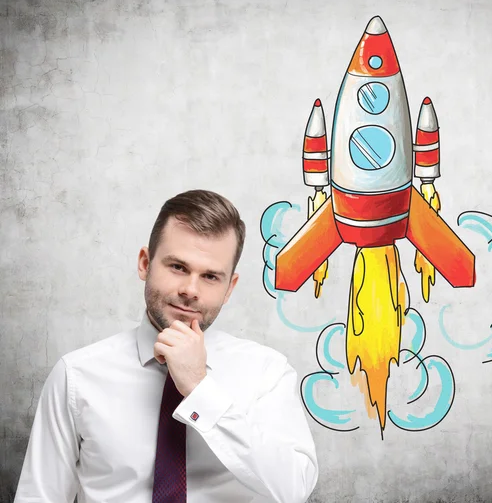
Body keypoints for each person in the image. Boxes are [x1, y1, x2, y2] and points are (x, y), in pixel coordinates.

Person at [14, 190, 319, 503]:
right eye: (177, 267)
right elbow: (39, 496)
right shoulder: (77, 376)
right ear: (145, 263)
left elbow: (294, 489)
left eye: (211, 276)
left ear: (230, 288)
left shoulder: (266, 373)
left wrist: (200, 390)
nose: (190, 290)